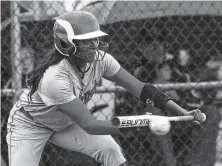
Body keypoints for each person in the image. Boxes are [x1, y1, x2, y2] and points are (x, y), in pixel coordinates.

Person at [6, 11, 205, 166]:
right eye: (86, 41)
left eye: (96, 38)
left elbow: (142, 89)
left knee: (110, 150)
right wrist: (141, 121)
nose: (95, 45)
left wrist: (182, 111)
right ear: (67, 44)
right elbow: (90, 125)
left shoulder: (101, 60)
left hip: (65, 123)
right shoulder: (54, 78)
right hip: (30, 125)